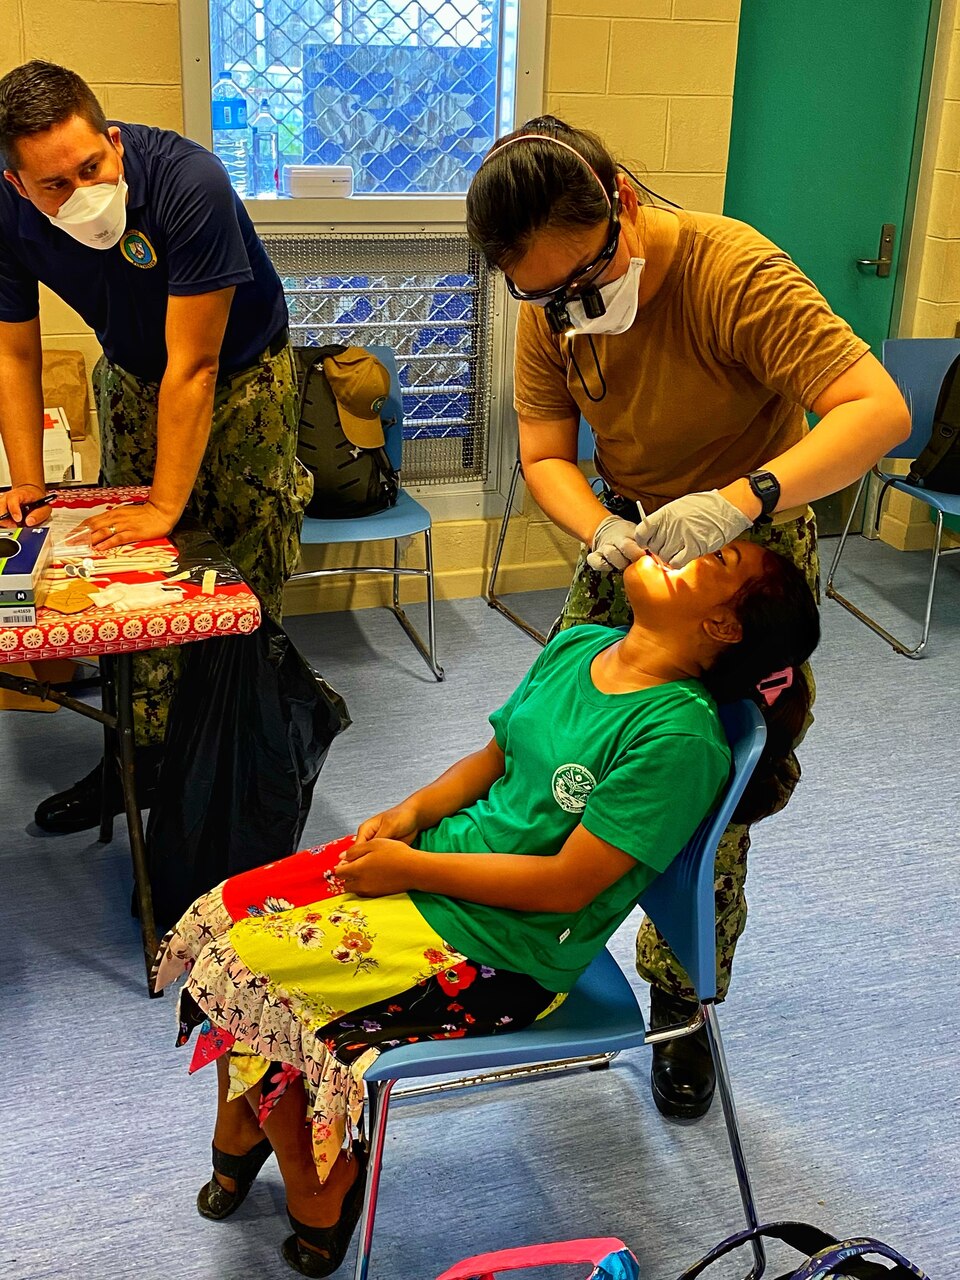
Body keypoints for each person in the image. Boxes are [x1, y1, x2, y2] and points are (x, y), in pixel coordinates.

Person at [154, 538, 820, 1276]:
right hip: (443, 868)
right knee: (223, 913)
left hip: (507, 945)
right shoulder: (580, 645)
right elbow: (496, 758)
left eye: (710, 561)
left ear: (724, 627)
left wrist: (415, 866)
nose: (677, 546)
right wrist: (411, 814)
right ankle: (248, 1124)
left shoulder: (679, 737)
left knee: (239, 972)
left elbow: (567, 886)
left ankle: (320, 1182)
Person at [464, 115, 911, 1119]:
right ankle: (542, 946)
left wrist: (744, 498)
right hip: (629, 539)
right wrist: (601, 534)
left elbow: (878, 411)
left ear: (621, 201)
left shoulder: (729, 270)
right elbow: (545, 454)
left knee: (706, 791)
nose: (569, 307)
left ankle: (680, 1001)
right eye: (544, 296)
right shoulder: (550, 302)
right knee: (558, 735)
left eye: (583, 281)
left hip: (739, 545)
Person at [0, 61, 313, 833]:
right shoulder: (5, 215)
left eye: (92, 168)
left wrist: (166, 503)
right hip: (135, 377)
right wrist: (33, 494)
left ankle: (238, 780)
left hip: (243, 379)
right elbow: (13, 356)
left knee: (238, 581)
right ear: (17, 187)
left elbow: (198, 365)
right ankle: (131, 766)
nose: (82, 196)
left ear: (113, 141)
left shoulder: (189, 181)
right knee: (133, 584)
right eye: (53, 186)